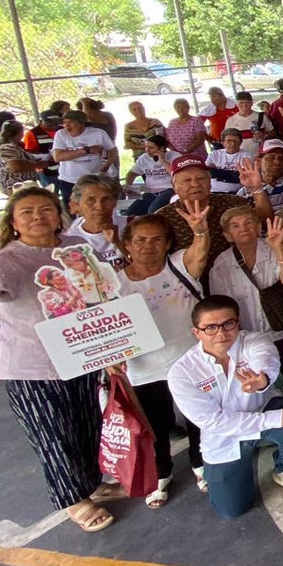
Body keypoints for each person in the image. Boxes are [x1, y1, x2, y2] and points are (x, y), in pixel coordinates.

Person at [0, 188, 119, 532]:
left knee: (87, 426)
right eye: (26, 212)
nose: (37, 217)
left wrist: (111, 349)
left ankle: (89, 482)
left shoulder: (75, 247)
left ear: (59, 214)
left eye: (45, 209)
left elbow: (102, 293)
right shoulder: (6, 259)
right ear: (12, 222)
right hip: (34, 367)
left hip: (82, 357)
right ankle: (75, 499)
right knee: (53, 434)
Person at [164, 295, 283, 518]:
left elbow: (267, 358)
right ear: (197, 332)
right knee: (232, 510)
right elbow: (213, 422)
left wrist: (262, 379)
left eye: (228, 323)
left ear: (238, 322)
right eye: (210, 328)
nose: (221, 333)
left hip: (260, 408)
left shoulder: (253, 340)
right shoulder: (181, 373)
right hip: (224, 437)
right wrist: (274, 419)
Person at [112, 205, 211, 506]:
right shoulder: (113, 283)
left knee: (198, 418)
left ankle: (200, 464)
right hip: (143, 369)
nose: (148, 246)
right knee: (155, 427)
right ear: (127, 244)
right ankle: (162, 474)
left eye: (156, 240)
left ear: (167, 244)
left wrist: (200, 229)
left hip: (190, 361)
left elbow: (200, 250)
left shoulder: (180, 265)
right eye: (140, 240)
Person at [207, 207, 283, 408]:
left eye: (248, 223)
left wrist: (280, 249)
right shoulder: (222, 264)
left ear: (258, 228)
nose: (243, 229)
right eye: (235, 226)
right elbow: (221, 307)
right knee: (262, 381)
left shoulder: (273, 249)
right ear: (228, 235)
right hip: (249, 337)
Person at [51, 108, 117, 207]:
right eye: (64, 122)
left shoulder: (98, 133)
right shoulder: (61, 134)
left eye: (71, 122)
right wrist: (85, 150)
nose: (66, 126)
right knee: (73, 209)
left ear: (82, 123)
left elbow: (113, 151)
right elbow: (58, 157)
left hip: (93, 179)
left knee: (95, 207)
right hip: (69, 180)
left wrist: (106, 167)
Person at [65, 174, 126, 266]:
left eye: (106, 199)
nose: (100, 207)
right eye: (91, 200)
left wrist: (118, 243)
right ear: (78, 204)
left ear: (115, 202)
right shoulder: (70, 239)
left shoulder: (131, 226)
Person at [124, 133, 176, 215]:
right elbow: (131, 174)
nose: (147, 150)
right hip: (151, 192)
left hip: (170, 189)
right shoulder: (144, 158)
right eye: (146, 147)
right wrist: (129, 187)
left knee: (153, 211)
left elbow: (176, 173)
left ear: (162, 148)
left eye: (151, 148)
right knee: (130, 212)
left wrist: (162, 160)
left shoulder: (174, 156)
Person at [0, 121, 42, 196]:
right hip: (17, 185)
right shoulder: (7, 147)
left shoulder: (13, 145)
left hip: (24, 184)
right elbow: (16, 167)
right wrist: (38, 164)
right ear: (20, 132)